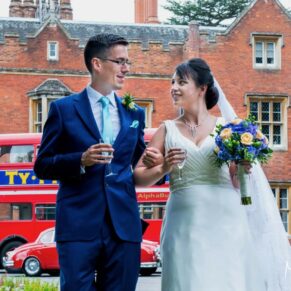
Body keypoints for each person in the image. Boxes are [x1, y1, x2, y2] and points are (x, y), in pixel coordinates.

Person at [135, 58, 291, 291]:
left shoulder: (228, 129)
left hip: (226, 220)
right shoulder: (166, 129)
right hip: (183, 221)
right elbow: (138, 178)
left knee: (227, 280)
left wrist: (242, 168)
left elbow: (237, 183)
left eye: (181, 82)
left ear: (202, 88)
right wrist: (164, 168)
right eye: (172, 82)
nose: (173, 88)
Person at [34, 33, 161, 291]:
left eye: (128, 62)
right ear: (97, 64)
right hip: (78, 224)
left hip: (123, 227)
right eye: (120, 61)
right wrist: (81, 159)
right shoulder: (64, 109)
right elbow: (43, 165)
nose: (126, 68)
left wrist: (155, 159)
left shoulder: (134, 112)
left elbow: (139, 163)